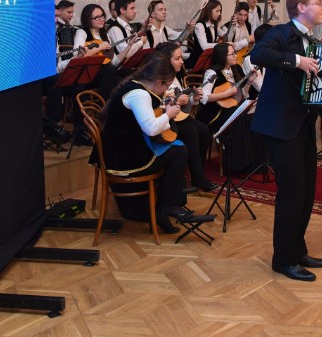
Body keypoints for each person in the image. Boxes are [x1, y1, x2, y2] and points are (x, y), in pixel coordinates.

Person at [250, 0, 322, 282]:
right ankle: (282, 259)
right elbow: (259, 54)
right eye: (319, 2)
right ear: (301, 7)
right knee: (291, 195)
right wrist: (297, 61)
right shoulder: (279, 33)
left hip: (304, 125)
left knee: (306, 193)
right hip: (281, 126)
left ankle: (298, 250)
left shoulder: (315, 39)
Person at [99, 52, 214, 232]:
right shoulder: (139, 95)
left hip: (123, 147)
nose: (165, 90)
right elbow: (151, 128)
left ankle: (166, 204)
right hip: (124, 157)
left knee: (178, 147)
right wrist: (169, 114)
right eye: (166, 86)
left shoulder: (136, 86)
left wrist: (163, 109)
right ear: (159, 82)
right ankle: (168, 204)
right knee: (179, 151)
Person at [153, 41, 216, 192]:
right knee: (191, 131)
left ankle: (198, 173)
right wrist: (177, 101)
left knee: (204, 130)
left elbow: (184, 106)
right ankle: (198, 177)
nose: (182, 61)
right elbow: (156, 104)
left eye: (181, 57)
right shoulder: (156, 77)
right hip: (164, 120)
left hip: (179, 116)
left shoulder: (176, 76)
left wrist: (194, 98)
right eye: (177, 58)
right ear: (165, 60)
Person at [197, 42, 260, 173]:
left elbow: (239, 97)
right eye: (232, 54)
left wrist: (249, 81)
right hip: (213, 112)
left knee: (250, 118)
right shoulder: (212, 72)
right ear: (222, 57)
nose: (236, 56)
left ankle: (252, 163)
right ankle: (236, 166)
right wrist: (225, 94)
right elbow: (204, 97)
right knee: (238, 119)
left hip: (229, 108)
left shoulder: (235, 69)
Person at [188, 0, 224, 69]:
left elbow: (224, 35)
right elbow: (204, 46)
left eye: (220, 11)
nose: (219, 14)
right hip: (198, 61)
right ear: (209, 11)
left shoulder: (214, 25)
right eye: (217, 11)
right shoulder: (200, 25)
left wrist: (232, 25)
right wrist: (221, 45)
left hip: (209, 60)